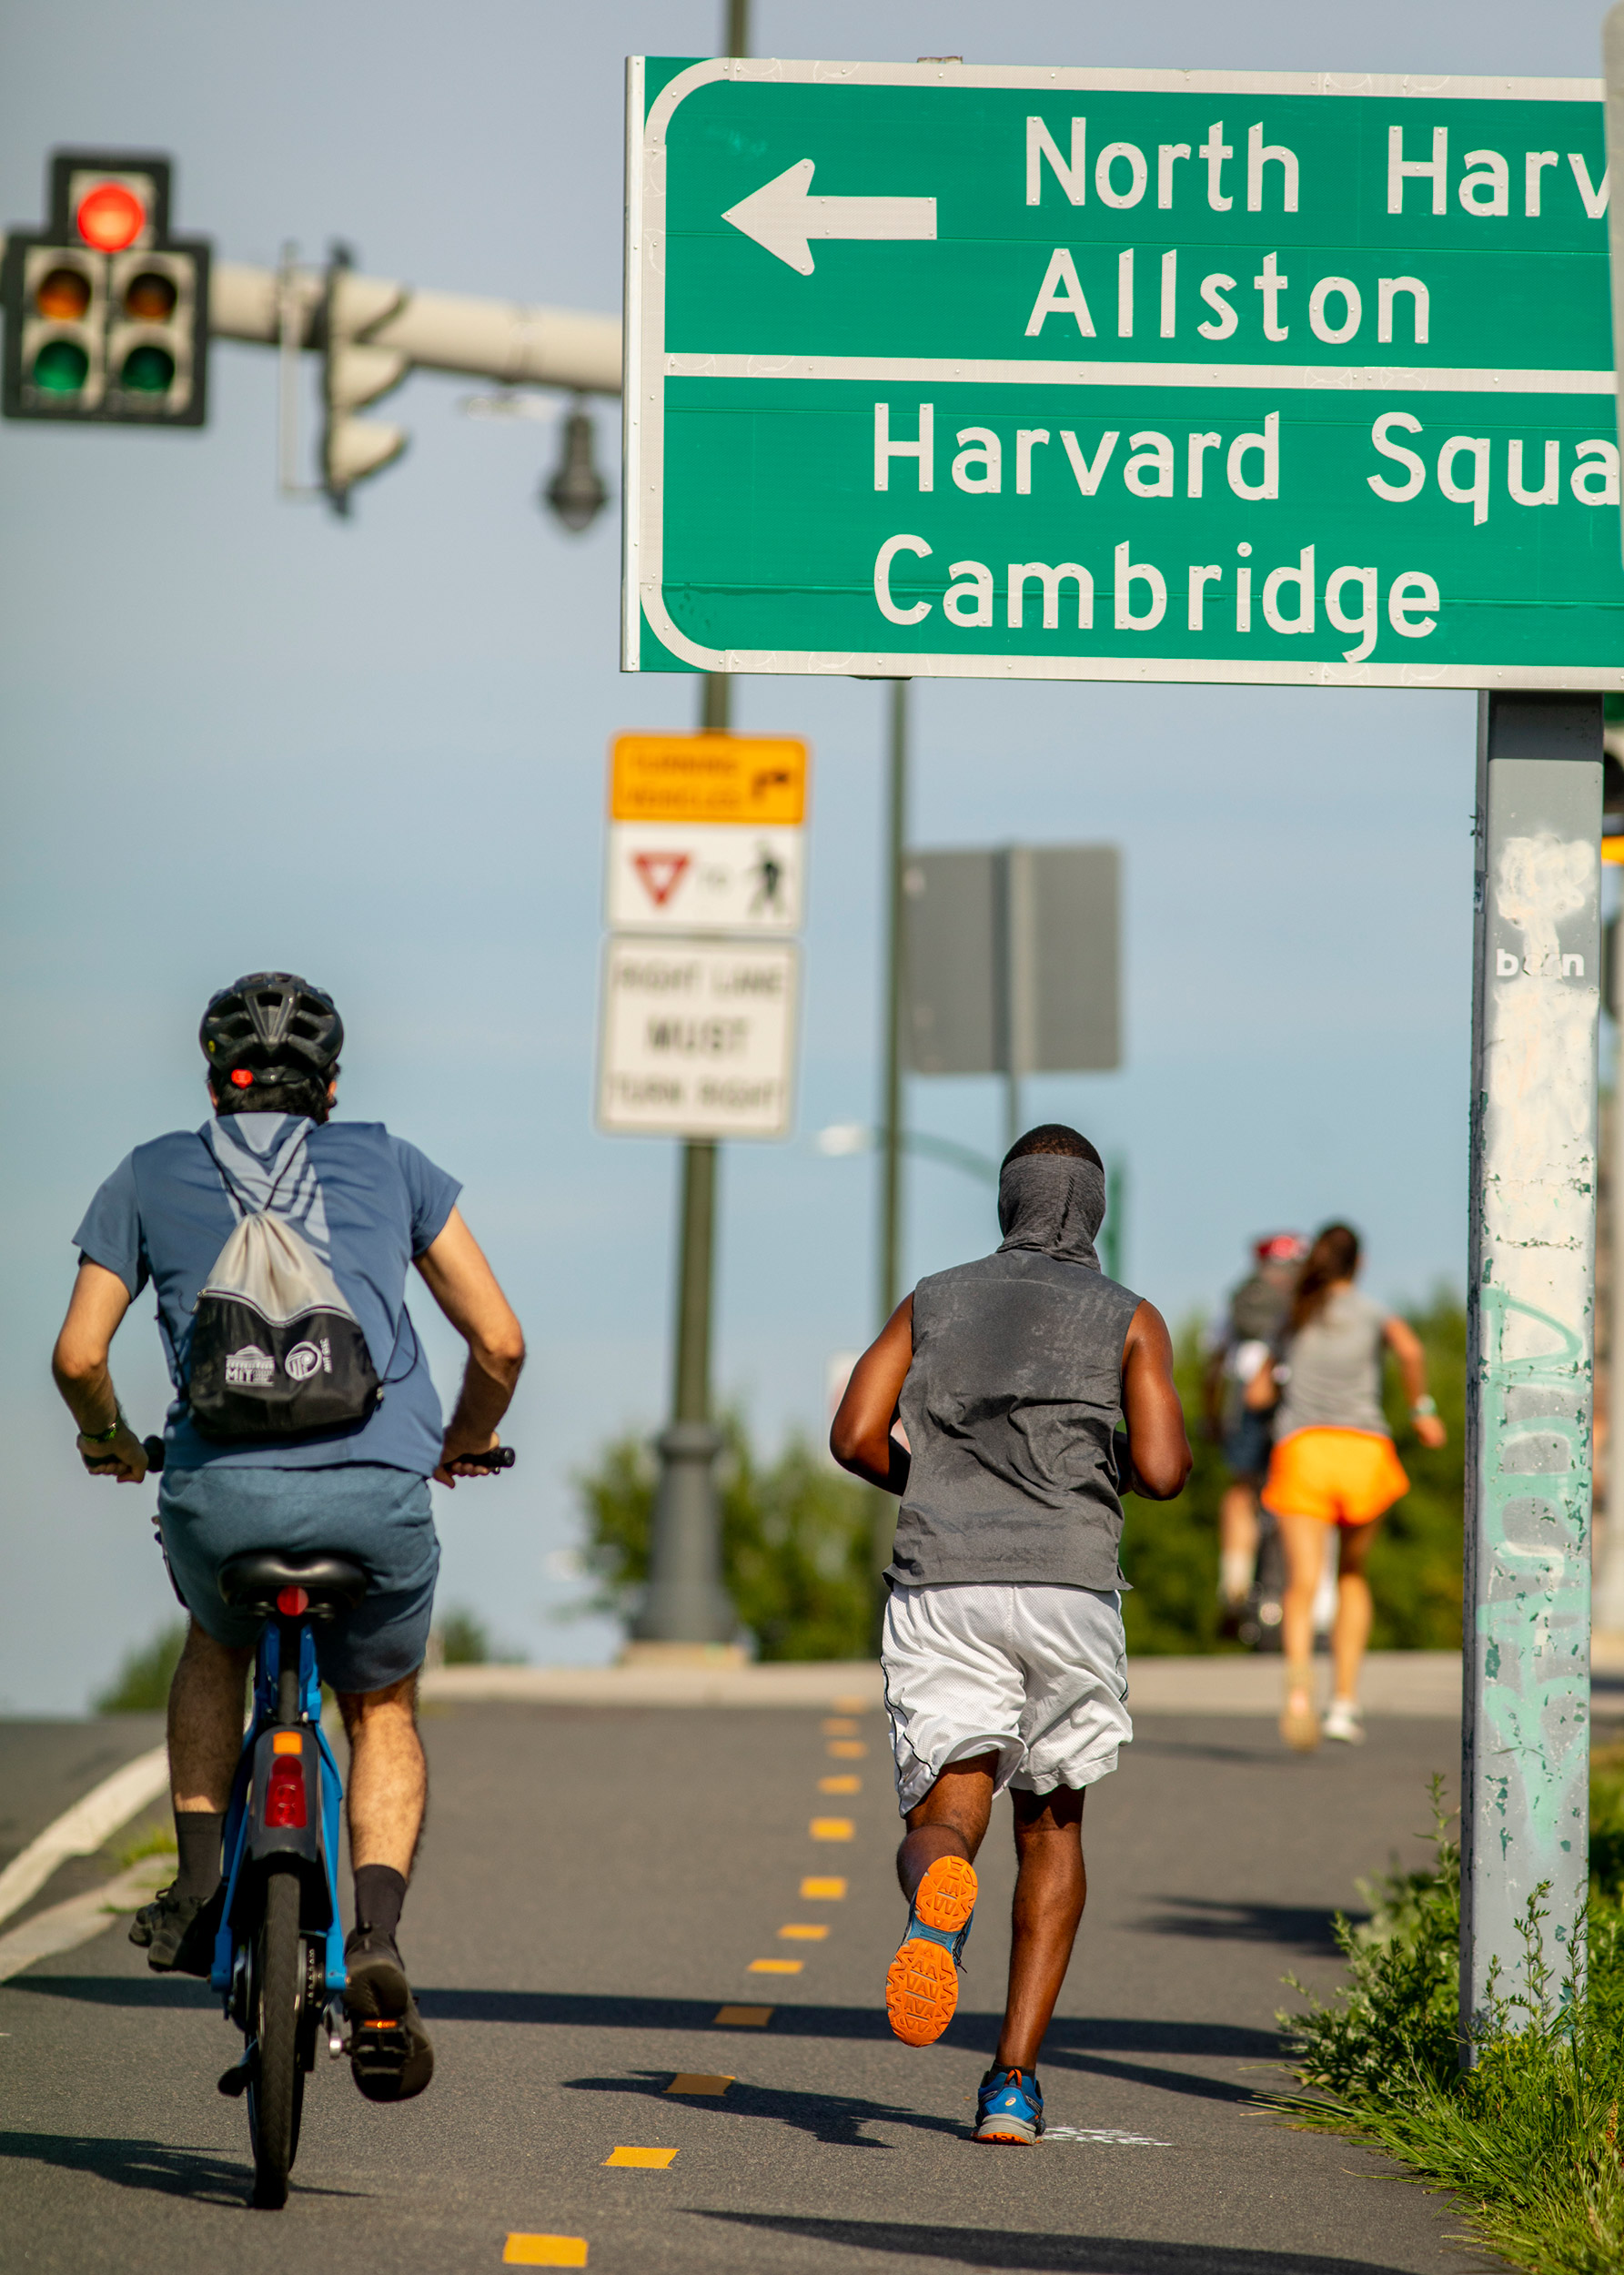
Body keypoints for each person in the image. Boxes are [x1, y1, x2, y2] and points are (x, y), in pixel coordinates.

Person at [51, 972, 525, 2103]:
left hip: (220, 1503)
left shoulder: (150, 1170)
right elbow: (499, 1341)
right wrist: (461, 1440)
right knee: (381, 1708)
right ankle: (376, 1935)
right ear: (333, 1083)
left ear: (214, 1076)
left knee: (215, 1643)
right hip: (376, 1495)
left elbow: (77, 1357)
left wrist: (114, 1439)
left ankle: (203, 1875)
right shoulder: (394, 1162)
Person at [830, 1124, 1190, 2146]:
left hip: (944, 1580)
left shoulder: (933, 1298)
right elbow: (1162, 1470)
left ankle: (939, 1905)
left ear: (1008, 1202)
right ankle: (1011, 2085)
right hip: (1070, 1586)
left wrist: (936, 1488)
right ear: (1093, 1211)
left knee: (949, 1810)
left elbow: (854, 1432)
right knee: (1052, 1823)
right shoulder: (1129, 1316)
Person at [1245, 1221, 1445, 1750]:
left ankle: (1297, 1692)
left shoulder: (1294, 1315)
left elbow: (1259, 1393)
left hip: (1304, 1453)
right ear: (1360, 1264)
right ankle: (1345, 1704)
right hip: (1363, 1453)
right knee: (1352, 1574)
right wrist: (1422, 1410)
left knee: (1301, 1584)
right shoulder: (1376, 1313)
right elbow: (1410, 1351)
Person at [1203, 1235, 1306, 1627]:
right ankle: (1295, 1587)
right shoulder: (1304, 1298)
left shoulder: (1240, 1301)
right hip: (1292, 1399)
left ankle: (1234, 1580)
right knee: (1291, 1493)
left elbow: (1214, 1363)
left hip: (1241, 1400)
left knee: (1241, 1486)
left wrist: (1211, 1416)